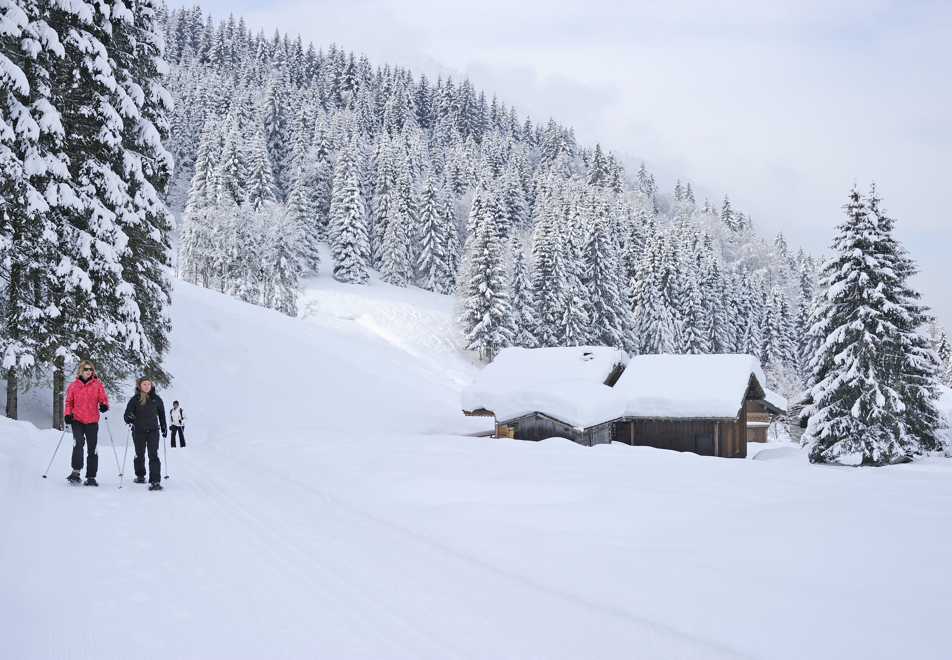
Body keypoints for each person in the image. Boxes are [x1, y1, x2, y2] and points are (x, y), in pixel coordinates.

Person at [64, 360, 109, 486]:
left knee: (92, 447)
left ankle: (91, 476)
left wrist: (104, 405)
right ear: (80, 370)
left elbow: (103, 399)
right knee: (78, 443)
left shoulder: (97, 385)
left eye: (90, 369)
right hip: (77, 419)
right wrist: (67, 414)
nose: (88, 371)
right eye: (86, 369)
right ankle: (76, 471)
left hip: (92, 420)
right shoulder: (73, 386)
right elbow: (68, 402)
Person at [123, 376, 167, 489]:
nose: (147, 386)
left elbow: (161, 414)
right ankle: (140, 475)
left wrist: (164, 427)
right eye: (144, 384)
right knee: (139, 454)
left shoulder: (156, 399)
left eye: (148, 384)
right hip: (139, 431)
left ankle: (155, 480)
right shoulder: (135, 399)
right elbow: (127, 413)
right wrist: (129, 417)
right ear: (139, 386)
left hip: (153, 431)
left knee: (153, 454)